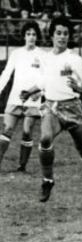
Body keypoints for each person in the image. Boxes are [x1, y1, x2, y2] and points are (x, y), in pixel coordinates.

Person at [24, 17, 82, 202]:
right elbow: (43, 81)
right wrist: (29, 92)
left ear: (69, 36)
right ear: (52, 35)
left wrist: (80, 89)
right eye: (58, 33)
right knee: (45, 139)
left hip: (72, 109)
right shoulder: (45, 58)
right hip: (51, 107)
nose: (62, 37)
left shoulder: (74, 59)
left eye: (65, 34)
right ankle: (47, 180)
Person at [0, 21, 44, 172]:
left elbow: (46, 79)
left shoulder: (43, 55)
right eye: (28, 34)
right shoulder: (16, 54)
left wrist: (40, 92)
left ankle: (22, 165)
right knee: (7, 129)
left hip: (33, 100)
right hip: (15, 98)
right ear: (24, 36)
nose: (31, 37)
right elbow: (6, 74)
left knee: (27, 131)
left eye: (34, 34)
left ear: (37, 36)